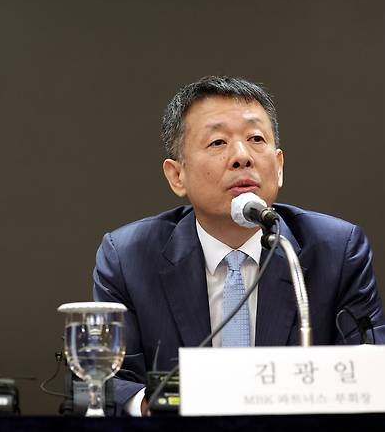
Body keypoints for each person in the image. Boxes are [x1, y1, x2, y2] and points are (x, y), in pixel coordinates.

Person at [92, 76, 384, 415]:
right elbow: (103, 380)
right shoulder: (128, 258)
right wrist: (154, 404)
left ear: (279, 166)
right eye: (217, 142)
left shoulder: (337, 250)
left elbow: (369, 377)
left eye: (256, 139)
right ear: (177, 175)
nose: (242, 157)